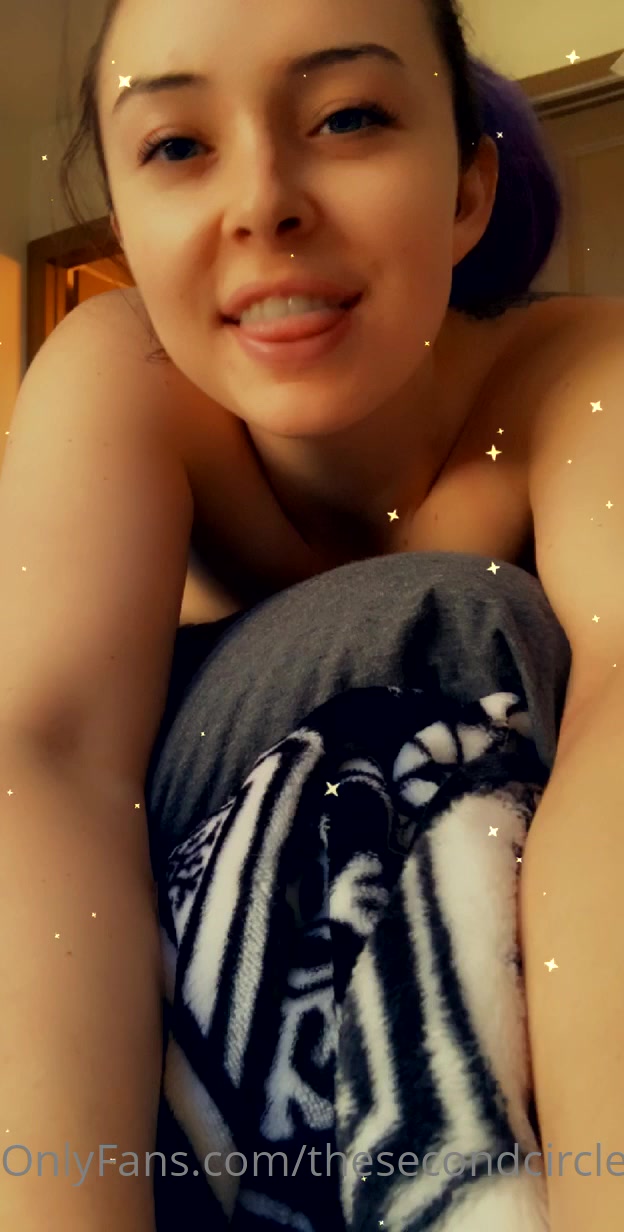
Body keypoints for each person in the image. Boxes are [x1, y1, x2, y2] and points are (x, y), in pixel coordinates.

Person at [1, 0, 623, 1229]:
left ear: (467, 191)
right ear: (126, 223)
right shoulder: (120, 373)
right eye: (179, 146)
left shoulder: (576, 377)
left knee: (465, 616)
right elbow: (46, 757)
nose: (262, 203)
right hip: (190, 967)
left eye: (348, 118)